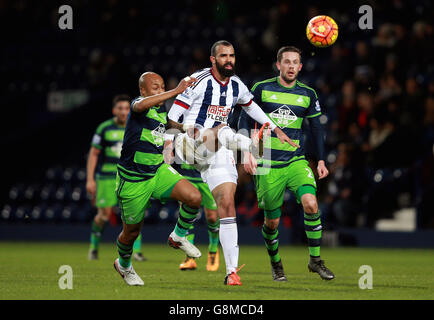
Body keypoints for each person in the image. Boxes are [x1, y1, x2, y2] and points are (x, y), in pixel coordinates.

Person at [164, 40, 296, 286]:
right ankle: (250, 146)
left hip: (218, 148)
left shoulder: (236, 85)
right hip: (188, 143)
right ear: (213, 59)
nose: (229, 60)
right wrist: (188, 132)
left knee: (226, 204)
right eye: (223, 56)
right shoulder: (197, 80)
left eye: (232, 55)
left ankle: (230, 271)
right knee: (224, 128)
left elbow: (251, 106)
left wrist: (276, 129)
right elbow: (171, 118)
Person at [239, 46, 335, 281]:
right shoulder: (261, 89)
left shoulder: (308, 94)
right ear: (278, 65)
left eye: (295, 62)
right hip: (267, 164)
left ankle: (315, 260)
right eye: (287, 62)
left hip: (296, 160)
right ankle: (276, 263)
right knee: (272, 223)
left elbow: (315, 128)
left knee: (311, 203)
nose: (291, 66)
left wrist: (321, 159)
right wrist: (247, 154)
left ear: (300, 67)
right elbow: (244, 118)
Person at [113, 72, 203, 286]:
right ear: (143, 90)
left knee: (194, 197)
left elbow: (166, 125)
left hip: (157, 170)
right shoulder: (138, 104)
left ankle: (178, 236)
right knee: (131, 232)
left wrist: (185, 129)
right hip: (134, 178)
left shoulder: (160, 108)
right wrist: (175, 91)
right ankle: (123, 265)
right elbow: (139, 106)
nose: (160, 90)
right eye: (155, 87)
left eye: (162, 86)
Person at [86, 94, 146, 261]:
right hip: (106, 177)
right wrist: (90, 179)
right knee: (104, 215)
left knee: (134, 213)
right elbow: (93, 154)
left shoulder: (136, 126)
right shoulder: (104, 128)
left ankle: (137, 252)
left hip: (129, 176)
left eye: (127, 108)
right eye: (120, 108)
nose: (124, 111)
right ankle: (94, 246)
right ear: (114, 110)